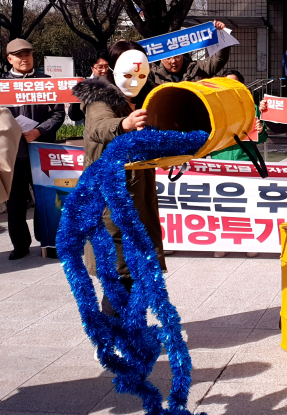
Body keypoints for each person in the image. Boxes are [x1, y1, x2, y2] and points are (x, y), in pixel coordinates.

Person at [72, 40, 165, 318]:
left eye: (141, 73)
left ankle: (130, 332)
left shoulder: (147, 97)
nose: (135, 79)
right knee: (118, 274)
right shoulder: (99, 98)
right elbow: (99, 127)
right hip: (110, 198)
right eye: (127, 72)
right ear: (112, 68)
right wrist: (123, 124)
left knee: (138, 273)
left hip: (140, 195)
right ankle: (111, 340)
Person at [3, 38, 65, 260]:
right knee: (16, 203)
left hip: (41, 151)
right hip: (13, 154)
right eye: (19, 55)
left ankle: (50, 242)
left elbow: (58, 113)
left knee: (47, 199)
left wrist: (40, 131)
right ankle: (20, 245)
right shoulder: (2, 85)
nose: (24, 58)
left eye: (27, 54)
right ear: (9, 58)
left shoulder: (46, 81)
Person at [208, 69, 267, 259]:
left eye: (234, 84)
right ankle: (223, 242)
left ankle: (250, 241)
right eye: (225, 84)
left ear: (241, 86)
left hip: (246, 162)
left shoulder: (252, 108)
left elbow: (261, 138)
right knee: (221, 206)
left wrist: (261, 129)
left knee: (249, 204)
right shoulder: (212, 110)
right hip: (220, 163)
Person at [147, 20, 230, 87]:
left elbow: (219, 60)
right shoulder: (153, 75)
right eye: (168, 58)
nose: (173, 61)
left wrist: (220, 34)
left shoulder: (198, 68)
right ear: (161, 59)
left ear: (182, 55)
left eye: (177, 56)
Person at [68, 50, 112, 123]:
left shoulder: (116, 84)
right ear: (92, 69)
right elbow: (75, 116)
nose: (104, 70)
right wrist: (76, 102)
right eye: (100, 67)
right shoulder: (85, 87)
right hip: (92, 131)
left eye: (107, 67)